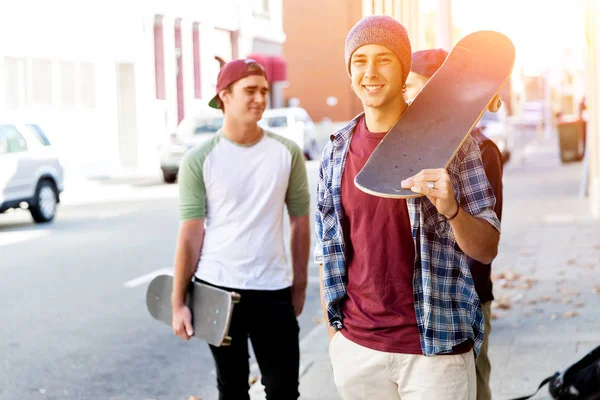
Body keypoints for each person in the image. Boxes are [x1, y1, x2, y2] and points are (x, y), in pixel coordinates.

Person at [314, 15, 501, 400]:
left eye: (383, 59)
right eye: (360, 60)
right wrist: (337, 340)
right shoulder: (335, 152)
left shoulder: (453, 144)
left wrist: (452, 209)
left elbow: (486, 249)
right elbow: (327, 252)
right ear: (350, 72)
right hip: (359, 350)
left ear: (403, 70)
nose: (370, 72)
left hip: (435, 350)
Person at [171, 58, 310, 400]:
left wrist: (300, 286)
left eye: (264, 91)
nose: (260, 98)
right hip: (217, 290)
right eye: (250, 91)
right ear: (225, 97)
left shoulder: (286, 153)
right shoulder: (199, 159)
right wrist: (178, 302)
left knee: (283, 391)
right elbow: (190, 233)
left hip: (273, 289)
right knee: (231, 389)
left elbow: (300, 222)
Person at [406, 48, 504, 400]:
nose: (406, 96)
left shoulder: (480, 149)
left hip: (467, 299)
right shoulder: (407, 147)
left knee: (473, 389)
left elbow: (485, 241)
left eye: (412, 86)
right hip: (421, 303)